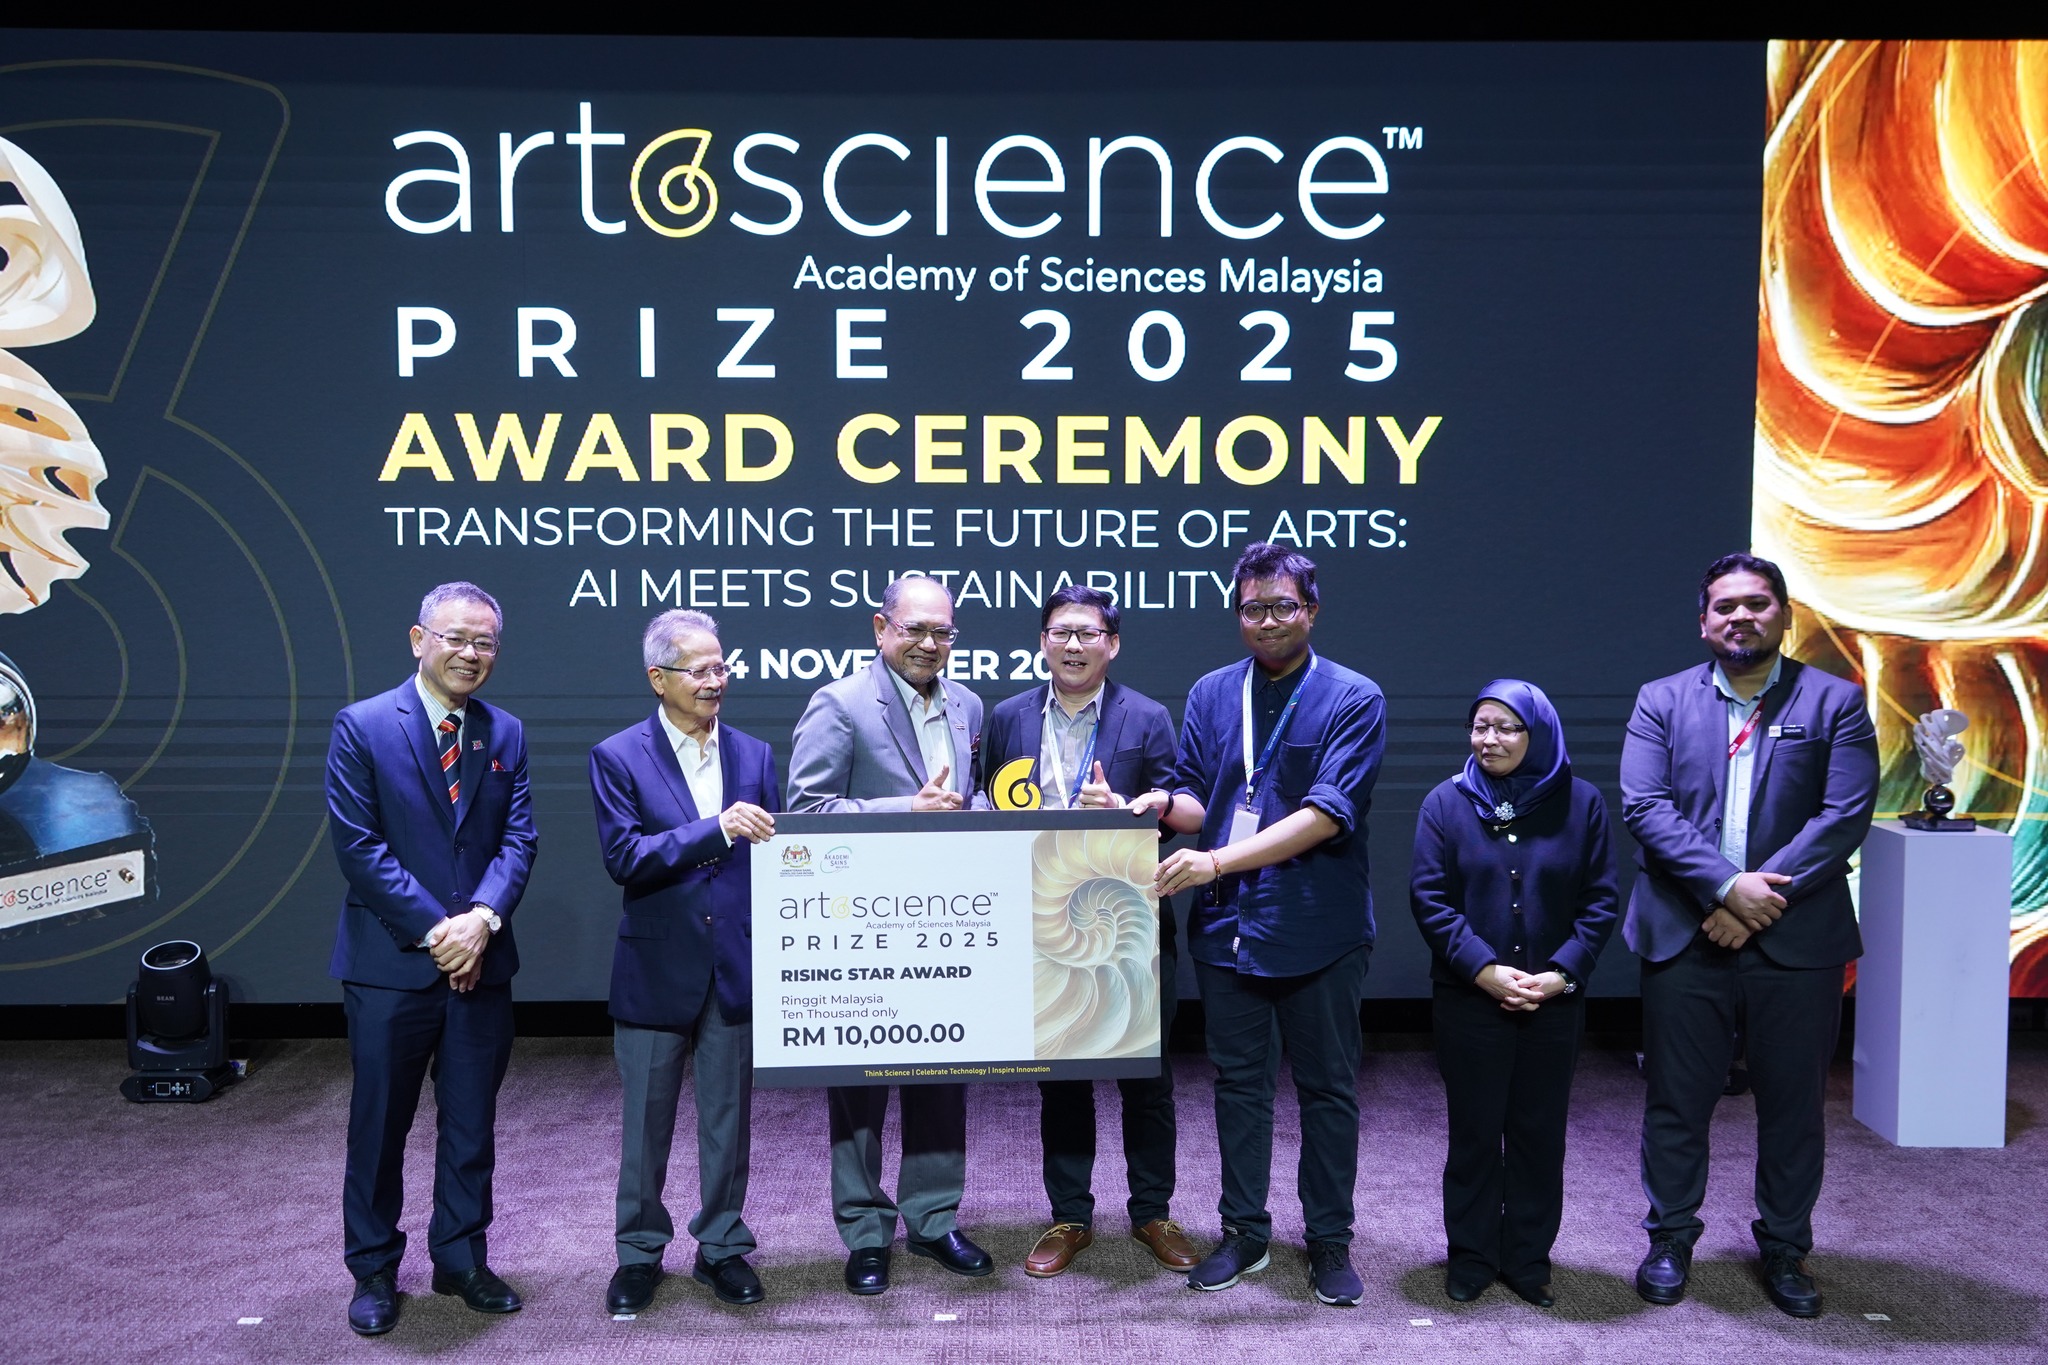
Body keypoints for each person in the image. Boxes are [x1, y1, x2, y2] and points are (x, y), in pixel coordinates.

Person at [1621, 552, 1878, 1318]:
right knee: (1676, 1101)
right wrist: (1725, 887)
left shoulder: (1836, 701)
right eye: (1725, 605)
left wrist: (1756, 897)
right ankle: (1670, 1237)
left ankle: (1787, 1246)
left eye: (1757, 603)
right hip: (1685, 932)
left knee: (1793, 1107)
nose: (1741, 616)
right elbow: (1645, 806)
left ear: (1785, 615)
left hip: (1796, 939)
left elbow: (1844, 816)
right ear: (1703, 621)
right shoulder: (1661, 699)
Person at [1140, 542, 1385, 1309]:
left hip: (1318, 927)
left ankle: (1329, 1239)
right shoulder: (1213, 692)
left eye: (1283, 605)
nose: (1268, 620)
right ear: (1238, 613)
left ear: (1310, 610)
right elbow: (1196, 797)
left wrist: (1216, 860)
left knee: (1327, 1089)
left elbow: (1326, 814)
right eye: (1254, 607)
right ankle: (1244, 1230)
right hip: (1228, 930)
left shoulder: (1354, 696)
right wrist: (1154, 805)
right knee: (1238, 1087)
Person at [326, 582, 537, 1337]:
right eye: (456, 637)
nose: (470, 653)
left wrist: (481, 921)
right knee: (379, 1125)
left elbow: (519, 840)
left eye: (484, 642)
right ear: (419, 640)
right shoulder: (362, 725)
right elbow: (360, 847)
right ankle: (374, 1269)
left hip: (483, 961)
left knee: (471, 1124)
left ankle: (460, 1258)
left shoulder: (504, 732)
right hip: (392, 965)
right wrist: (440, 932)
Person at [981, 585, 1200, 1279]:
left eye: (1087, 633)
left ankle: (1152, 1211)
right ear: (1042, 642)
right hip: (1044, 919)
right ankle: (1070, 1215)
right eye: (1060, 632)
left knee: (1148, 1077)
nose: (1072, 645)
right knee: (1062, 1077)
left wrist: (1126, 811)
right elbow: (990, 810)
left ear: (1113, 643)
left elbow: (1176, 811)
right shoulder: (1009, 716)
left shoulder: (1148, 716)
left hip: (1130, 918)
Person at [785, 574, 992, 1294]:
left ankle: (933, 1218)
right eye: (915, 629)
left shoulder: (968, 704)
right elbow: (805, 812)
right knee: (860, 1085)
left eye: (942, 631)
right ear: (881, 628)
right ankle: (866, 1230)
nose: (930, 643)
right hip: (863, 923)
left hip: (949, 918)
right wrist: (908, 808)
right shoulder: (839, 703)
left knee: (943, 1074)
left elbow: (973, 798)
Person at [588, 610, 780, 1313]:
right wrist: (715, 829)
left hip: (735, 964)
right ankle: (639, 1252)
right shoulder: (618, 755)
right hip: (656, 968)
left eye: (721, 667)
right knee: (646, 1125)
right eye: (699, 670)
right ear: (658, 678)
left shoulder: (755, 755)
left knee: (729, 1121)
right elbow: (625, 857)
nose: (714, 680)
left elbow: (776, 861)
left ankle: (722, 1246)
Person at [1409, 680, 1618, 1308]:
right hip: (1470, 999)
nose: (1489, 739)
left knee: (1538, 1134)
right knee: (1474, 1132)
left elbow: (1600, 901)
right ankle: (1472, 1256)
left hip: (1555, 1001)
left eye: (1506, 727)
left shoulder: (1583, 803)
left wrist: (1561, 974)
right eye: (1480, 726)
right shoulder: (1445, 802)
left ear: (1538, 733)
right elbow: (1430, 899)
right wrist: (1483, 970)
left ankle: (1528, 1259)